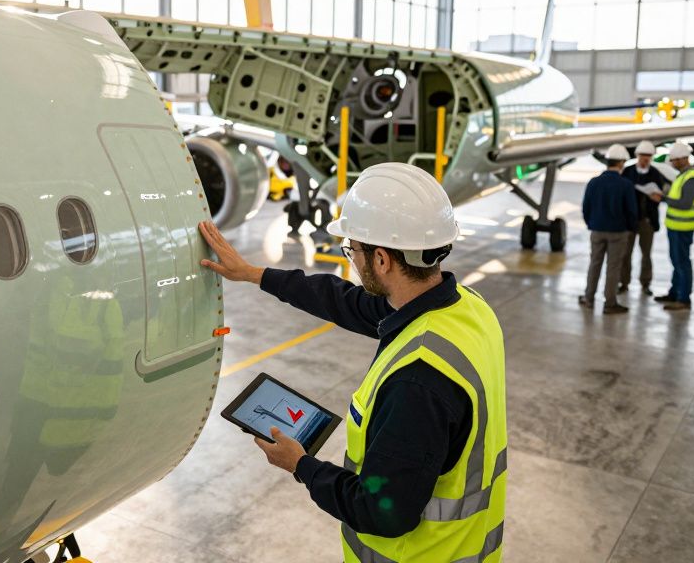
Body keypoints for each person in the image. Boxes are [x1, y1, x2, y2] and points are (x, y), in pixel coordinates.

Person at [198, 163, 507, 563]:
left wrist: (302, 466)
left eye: (353, 250)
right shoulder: (468, 308)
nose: (352, 260)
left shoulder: (417, 381)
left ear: (381, 259)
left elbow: (382, 512)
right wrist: (256, 275)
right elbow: (346, 301)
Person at [581, 144, 638, 314]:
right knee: (613, 268)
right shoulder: (625, 185)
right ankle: (610, 303)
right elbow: (631, 211)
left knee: (594, 264)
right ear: (621, 163)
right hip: (618, 233)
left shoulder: (594, 182)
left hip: (596, 231)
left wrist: (592, 224)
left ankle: (588, 298)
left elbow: (586, 207)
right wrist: (630, 228)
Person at [657, 141, 694, 311]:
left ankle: (684, 298)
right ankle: (675, 293)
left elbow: (684, 204)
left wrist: (663, 198)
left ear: (683, 159)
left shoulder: (691, 178)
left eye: (674, 160)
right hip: (676, 226)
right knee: (676, 261)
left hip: (683, 228)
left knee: (682, 262)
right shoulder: (683, 175)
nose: (672, 164)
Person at [619, 140, 668, 296]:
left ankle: (645, 283)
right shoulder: (627, 172)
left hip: (647, 220)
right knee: (625, 253)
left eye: (648, 156)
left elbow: (660, 194)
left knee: (646, 254)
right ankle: (623, 282)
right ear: (637, 156)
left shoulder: (655, 174)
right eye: (643, 156)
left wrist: (657, 197)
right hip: (629, 221)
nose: (645, 159)